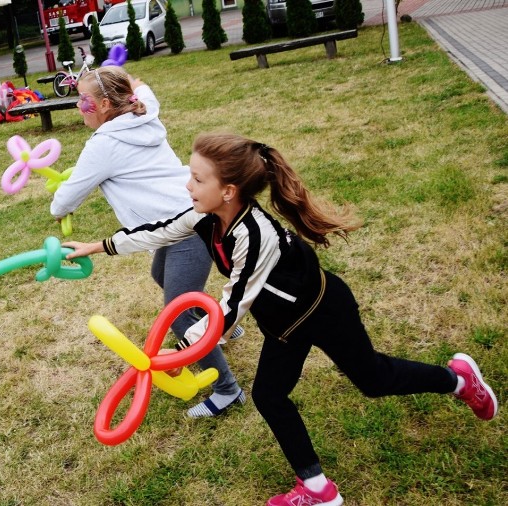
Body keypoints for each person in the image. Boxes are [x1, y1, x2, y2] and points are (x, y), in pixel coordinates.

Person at [64, 132, 498, 505]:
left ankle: (459, 380)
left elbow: (232, 307)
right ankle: (318, 488)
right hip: (283, 326)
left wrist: (183, 347)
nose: (187, 184)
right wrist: (98, 246)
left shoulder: (256, 236)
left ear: (229, 190)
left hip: (323, 311)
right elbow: (158, 231)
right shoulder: (202, 214)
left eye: (197, 178)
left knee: (374, 380)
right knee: (270, 397)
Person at [52, 66, 246, 418]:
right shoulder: (145, 108)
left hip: (187, 228)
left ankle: (227, 390)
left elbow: (64, 201)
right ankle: (221, 326)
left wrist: (58, 204)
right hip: (184, 219)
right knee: (162, 276)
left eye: (84, 100)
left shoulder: (104, 144)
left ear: (107, 104)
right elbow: (141, 84)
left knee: (178, 313)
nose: (79, 107)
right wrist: (117, 73)